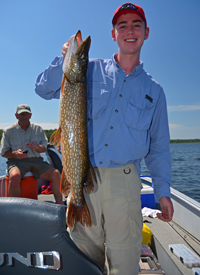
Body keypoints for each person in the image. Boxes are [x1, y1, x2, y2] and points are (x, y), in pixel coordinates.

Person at [35, 3, 174, 274]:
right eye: (122, 26)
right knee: (83, 260)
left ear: (146, 32)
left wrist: (163, 191)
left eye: (136, 25)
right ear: (113, 34)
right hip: (82, 177)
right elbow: (43, 88)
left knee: (124, 261)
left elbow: (158, 149)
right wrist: (63, 58)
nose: (129, 31)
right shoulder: (87, 70)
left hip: (125, 183)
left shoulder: (154, 91)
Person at [0, 104, 63, 205]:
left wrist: (37, 147)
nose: (24, 116)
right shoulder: (8, 131)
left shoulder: (38, 129)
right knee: (14, 177)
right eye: (21, 114)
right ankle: (15, 209)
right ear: (16, 116)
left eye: (26, 114)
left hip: (36, 161)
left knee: (55, 174)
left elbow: (43, 149)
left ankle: (60, 206)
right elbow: (3, 153)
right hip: (17, 161)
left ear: (30, 115)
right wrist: (16, 154)